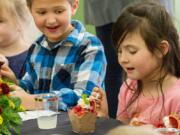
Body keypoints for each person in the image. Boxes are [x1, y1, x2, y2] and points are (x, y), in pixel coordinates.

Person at [1, 0, 107, 111]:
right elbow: (29, 89)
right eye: (42, 12)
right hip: (40, 125)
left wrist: (35, 101)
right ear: (30, 11)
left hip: (77, 127)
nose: (51, 20)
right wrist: (14, 83)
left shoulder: (90, 46)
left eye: (59, 11)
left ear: (74, 6)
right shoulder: (36, 47)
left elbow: (85, 97)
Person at [94, 0, 180, 127]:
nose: (123, 59)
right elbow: (122, 131)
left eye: (132, 51)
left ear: (161, 49)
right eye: (119, 51)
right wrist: (105, 118)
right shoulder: (128, 88)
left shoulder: (176, 96)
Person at [0, 0, 39, 79]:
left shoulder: (35, 57)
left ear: (22, 20)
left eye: (0, 21)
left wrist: (5, 73)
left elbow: (32, 89)